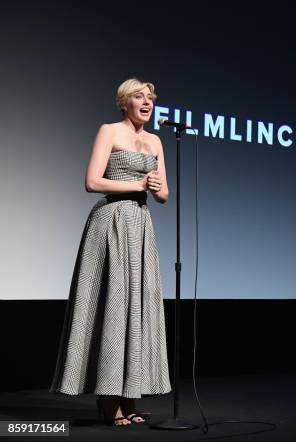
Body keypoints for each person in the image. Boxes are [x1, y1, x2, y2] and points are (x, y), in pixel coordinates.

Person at [49, 78, 172, 426]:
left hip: (142, 225)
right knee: (114, 305)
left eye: (150, 98)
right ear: (124, 102)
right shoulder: (110, 131)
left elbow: (163, 195)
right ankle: (108, 398)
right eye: (139, 97)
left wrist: (156, 187)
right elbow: (92, 181)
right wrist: (135, 184)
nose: (146, 102)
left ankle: (129, 396)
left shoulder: (156, 140)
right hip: (111, 221)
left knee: (137, 308)